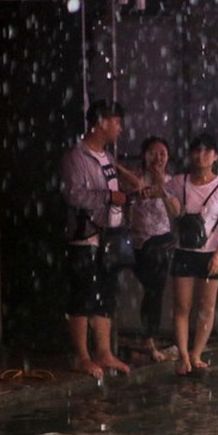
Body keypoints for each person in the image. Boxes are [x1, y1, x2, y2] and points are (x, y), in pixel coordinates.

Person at [59, 99, 141, 378]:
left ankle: (104, 352)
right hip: (86, 235)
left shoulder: (106, 157)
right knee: (82, 294)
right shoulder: (76, 157)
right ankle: (82, 355)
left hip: (110, 234)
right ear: (101, 122)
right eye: (116, 121)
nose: (119, 128)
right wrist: (107, 197)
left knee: (106, 293)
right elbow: (73, 194)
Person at [166, 133, 218, 376]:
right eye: (197, 151)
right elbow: (161, 194)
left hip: (209, 253)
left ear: (215, 156)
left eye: (207, 151)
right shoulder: (179, 181)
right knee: (182, 306)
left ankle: (197, 353)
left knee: (206, 306)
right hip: (184, 251)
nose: (201, 156)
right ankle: (184, 356)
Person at [122, 137, 181, 361]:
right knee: (152, 289)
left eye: (162, 154)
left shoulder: (172, 181)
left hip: (160, 242)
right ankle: (143, 339)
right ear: (144, 155)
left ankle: (149, 339)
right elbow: (128, 192)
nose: (158, 158)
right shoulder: (135, 177)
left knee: (155, 290)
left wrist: (161, 185)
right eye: (152, 153)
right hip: (135, 242)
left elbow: (175, 211)